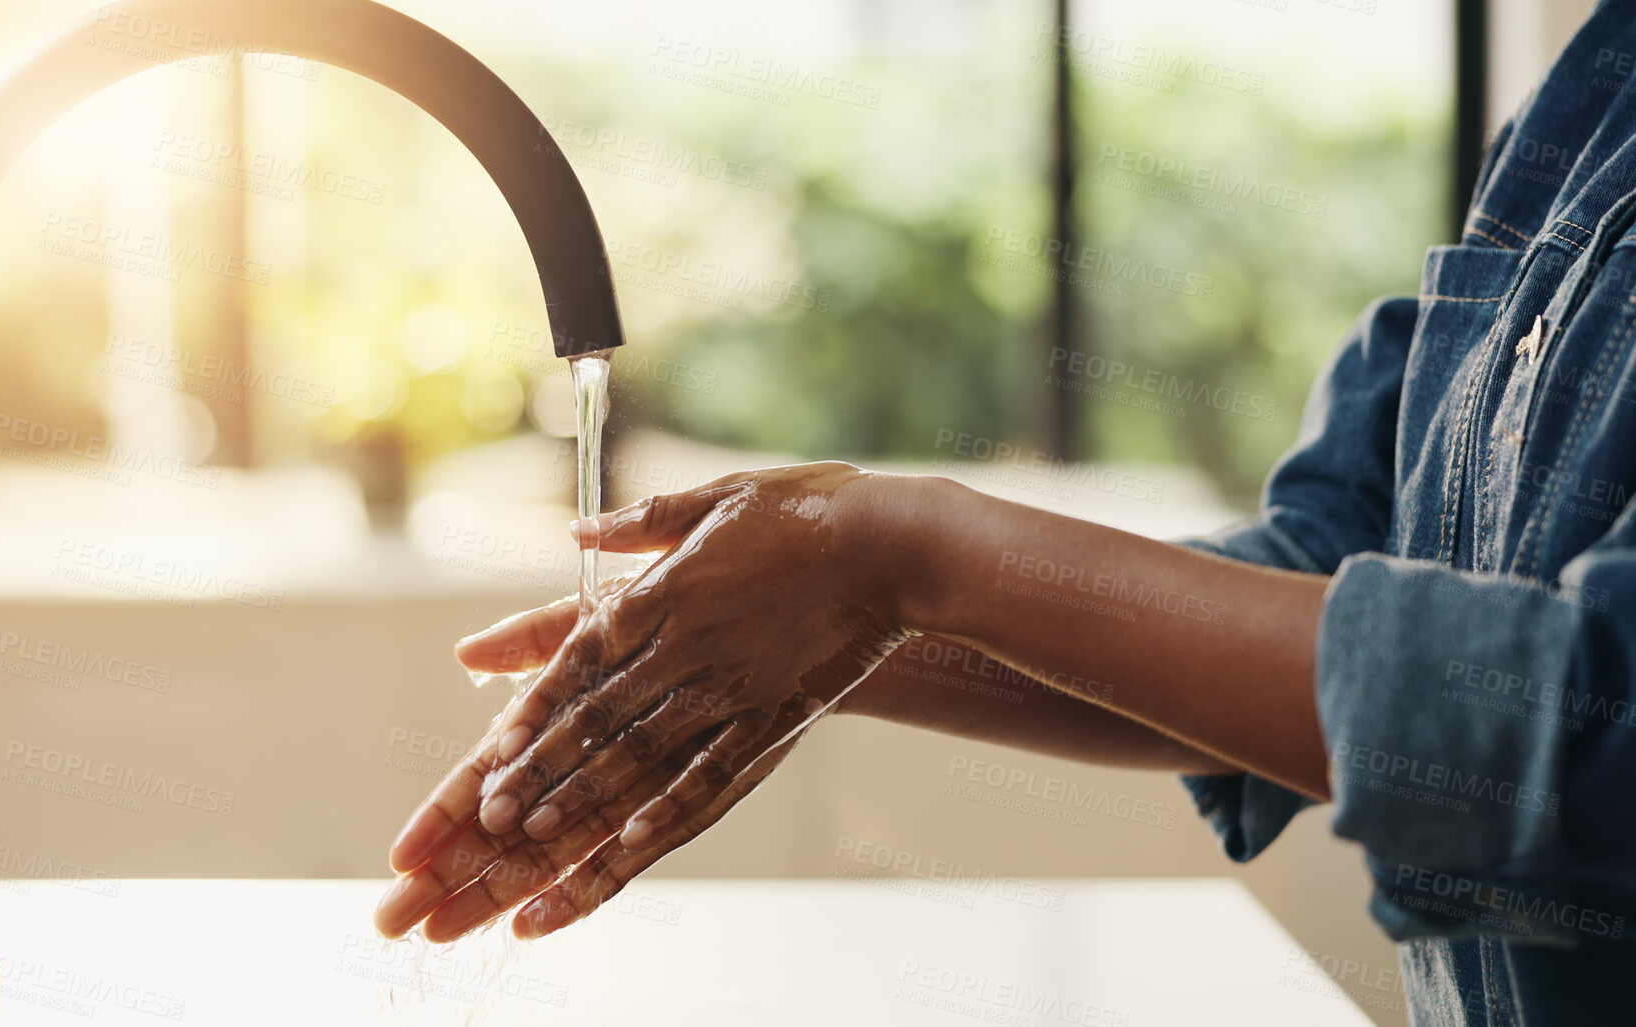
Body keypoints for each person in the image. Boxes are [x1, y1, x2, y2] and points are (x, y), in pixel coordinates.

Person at [376, 4, 1636, 1022]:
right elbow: (1314, 574)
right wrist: (800, 635)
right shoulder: (1586, 96)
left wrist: (901, 556)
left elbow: (1596, 723)